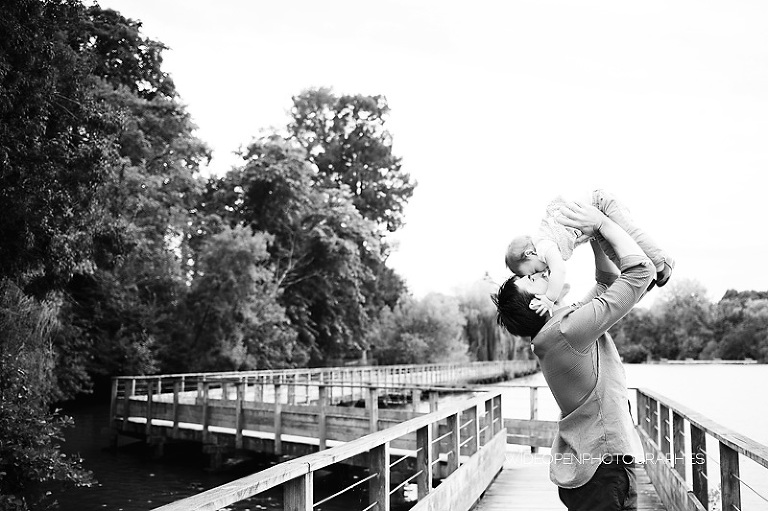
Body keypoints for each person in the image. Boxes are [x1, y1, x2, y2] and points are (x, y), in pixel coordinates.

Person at [493, 200, 658, 511]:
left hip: (596, 467)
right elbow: (642, 271)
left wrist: (594, 237)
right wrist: (602, 223)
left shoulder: (558, 331)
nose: (543, 269)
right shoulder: (567, 332)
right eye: (532, 278)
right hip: (601, 470)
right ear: (536, 303)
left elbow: (606, 283)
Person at [505, 189, 674, 316]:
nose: (542, 272)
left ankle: (661, 263)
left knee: (629, 234)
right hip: (595, 221)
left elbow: (560, 271)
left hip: (599, 205)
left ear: (529, 254)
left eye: (534, 271)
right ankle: (645, 278)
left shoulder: (543, 246)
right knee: (613, 250)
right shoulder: (545, 245)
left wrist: (549, 299)